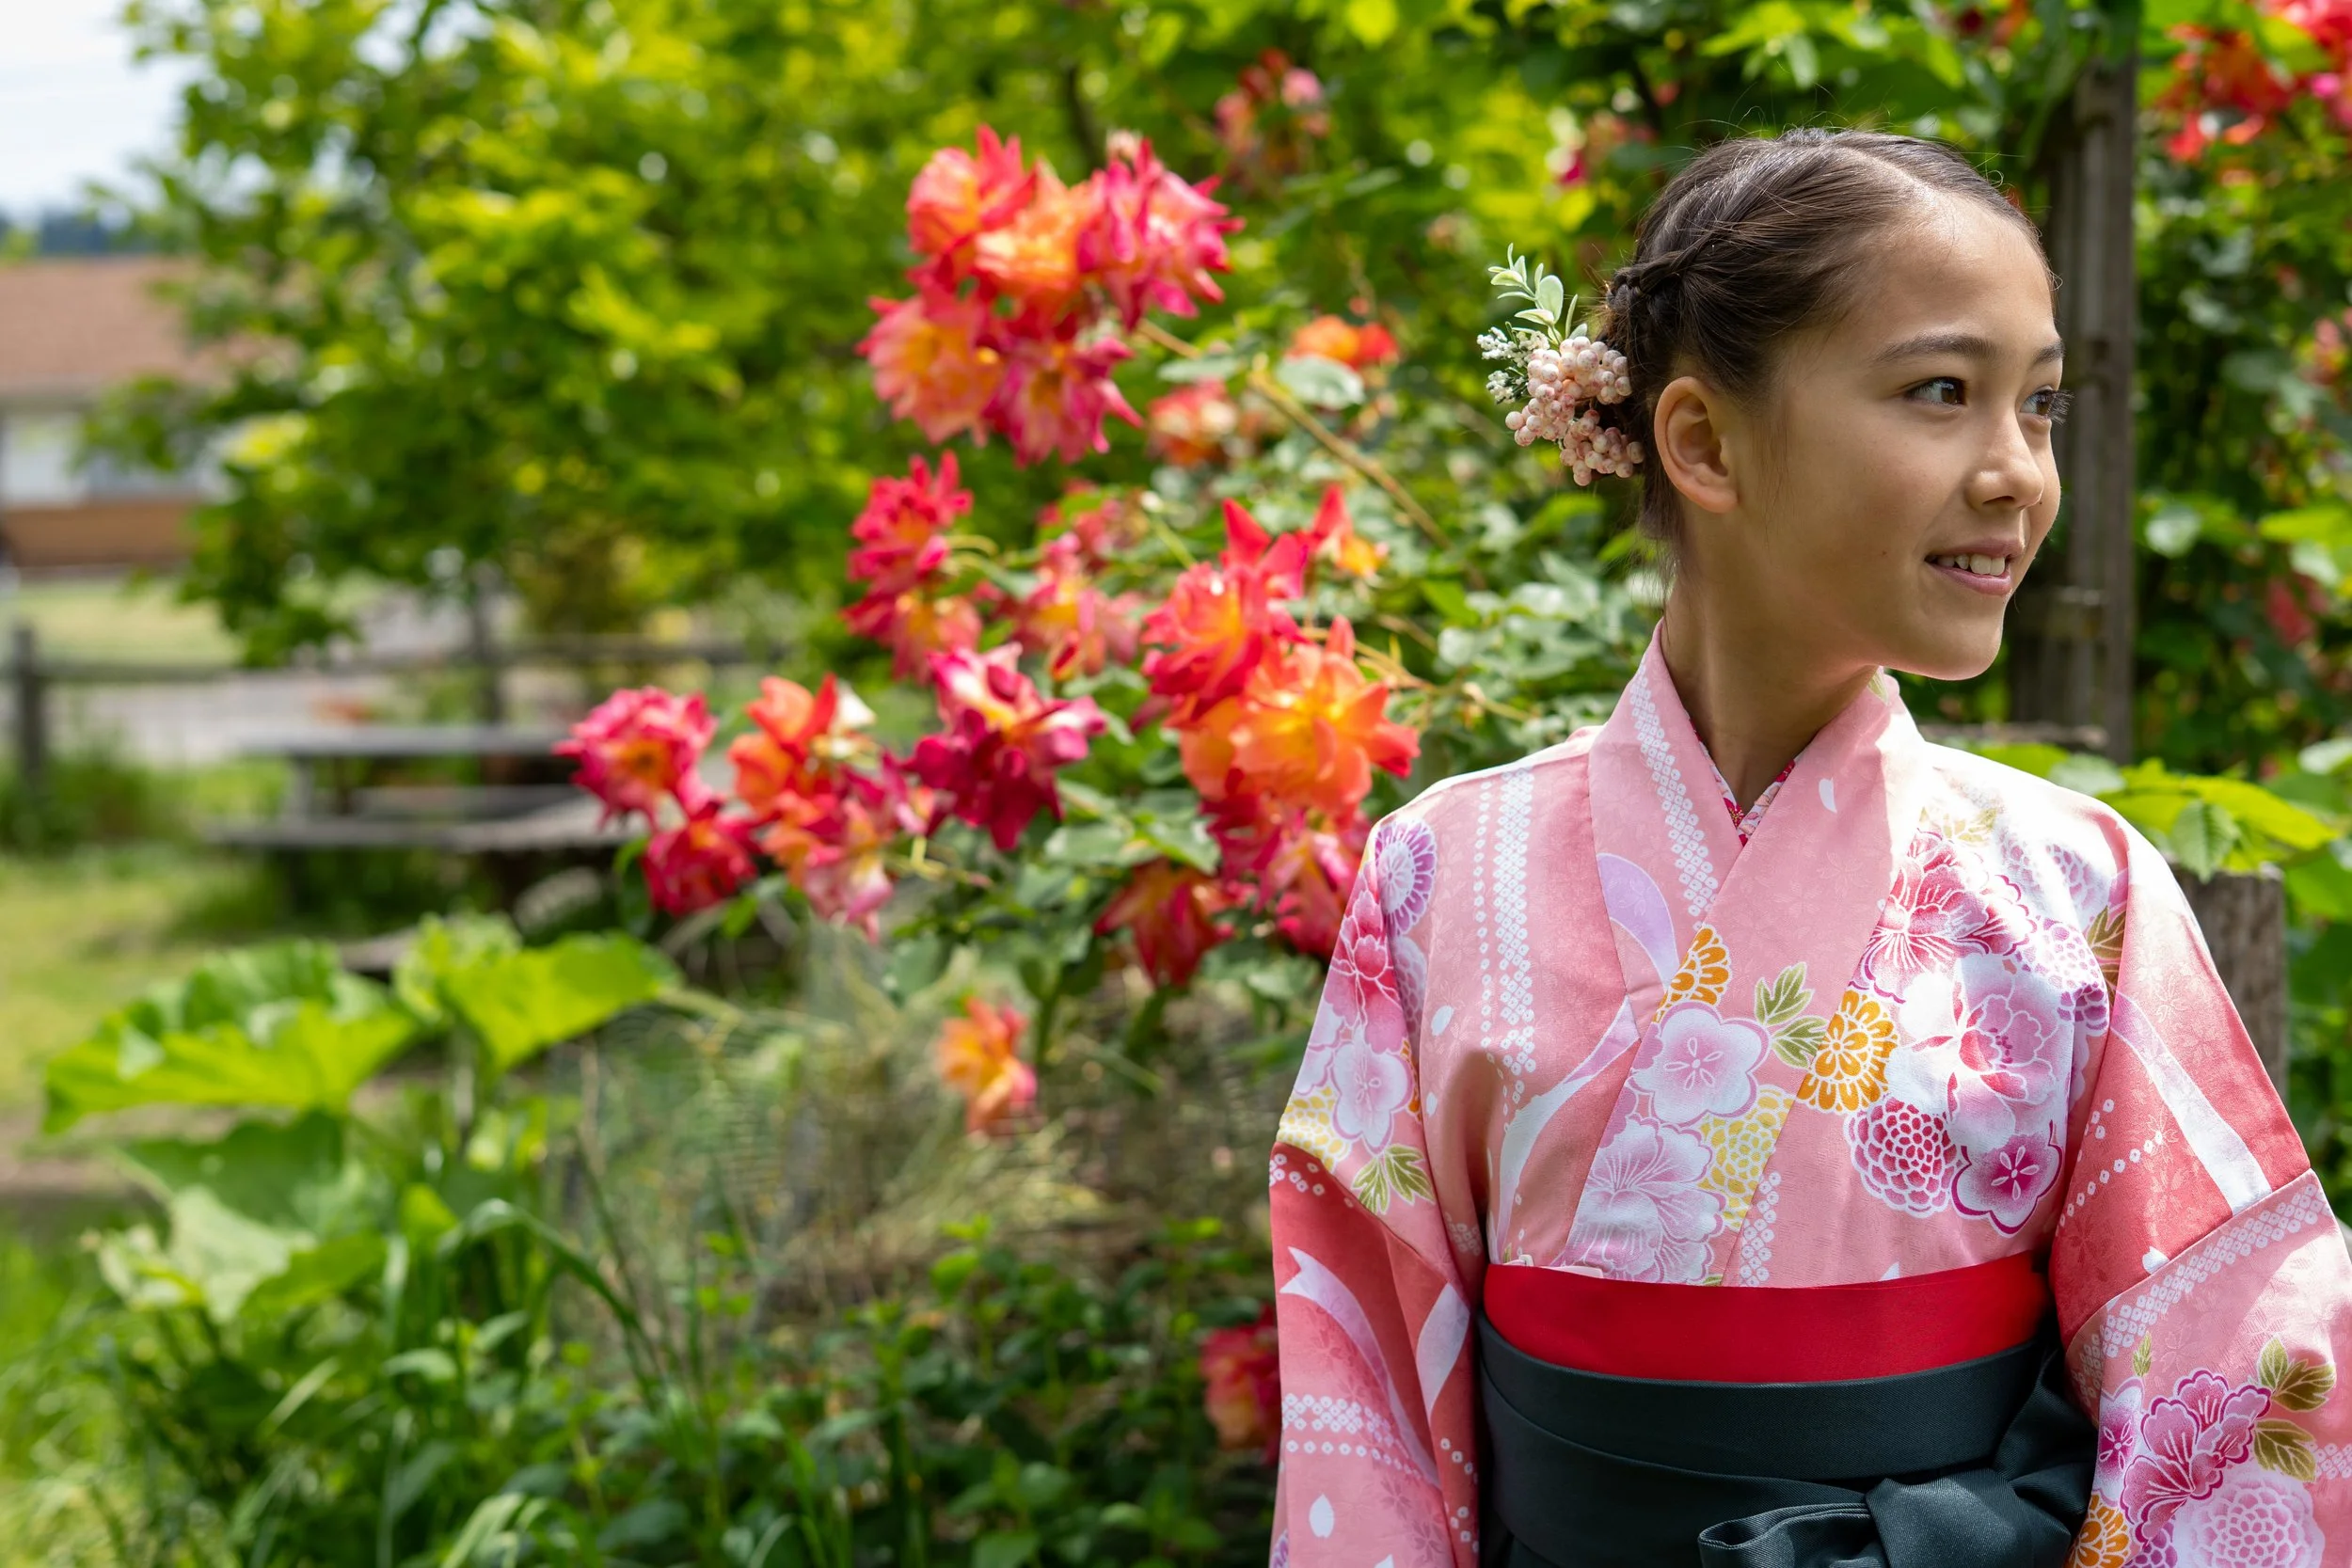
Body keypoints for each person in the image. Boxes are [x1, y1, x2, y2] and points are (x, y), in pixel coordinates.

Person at [1265, 127, 2352, 1568]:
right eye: (1943, 394)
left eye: (2039, 408)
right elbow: (1375, 1409)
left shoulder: (2071, 886)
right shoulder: (1437, 876)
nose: (2017, 473)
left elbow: (2233, 1353)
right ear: (1706, 442)